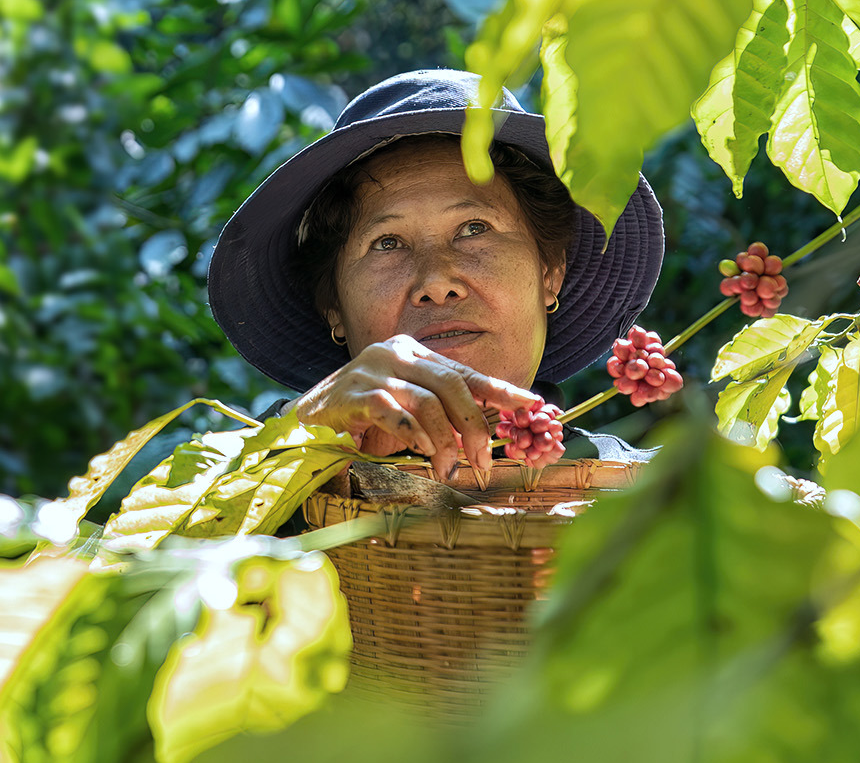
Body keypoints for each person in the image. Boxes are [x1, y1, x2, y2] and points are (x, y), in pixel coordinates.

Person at [206, 68, 664, 482]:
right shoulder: (261, 494)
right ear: (334, 308)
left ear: (550, 273)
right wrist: (298, 434)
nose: (436, 283)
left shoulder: (652, 502)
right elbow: (149, 549)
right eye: (387, 243)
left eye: (473, 229)